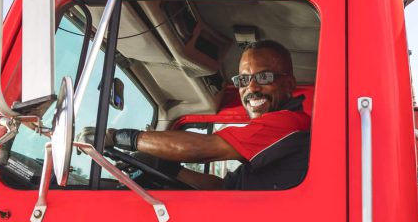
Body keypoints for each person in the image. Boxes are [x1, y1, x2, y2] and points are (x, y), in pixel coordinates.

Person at [108, 40, 311, 190]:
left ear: (289, 84)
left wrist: (123, 137)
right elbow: (227, 189)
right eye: (243, 79)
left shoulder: (289, 124)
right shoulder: (272, 140)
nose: (252, 87)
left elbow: (201, 149)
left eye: (264, 77)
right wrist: (169, 169)